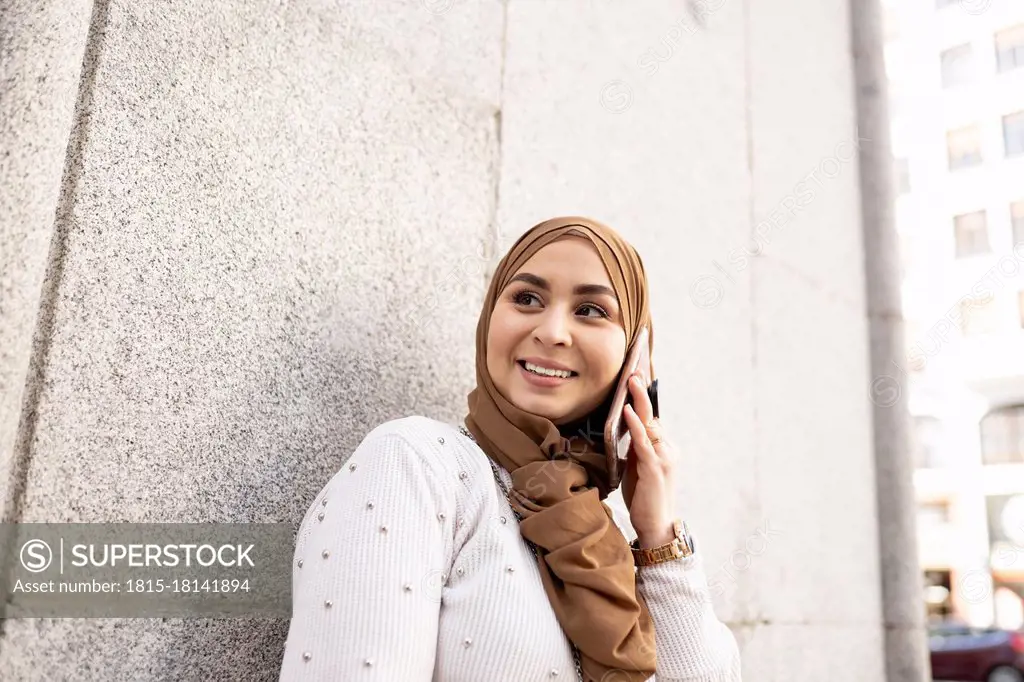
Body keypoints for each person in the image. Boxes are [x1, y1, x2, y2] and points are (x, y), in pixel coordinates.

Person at [279, 217, 742, 681]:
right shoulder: (419, 465)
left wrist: (659, 536)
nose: (553, 331)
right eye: (526, 298)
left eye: (592, 311)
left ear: (634, 359)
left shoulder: (608, 539)